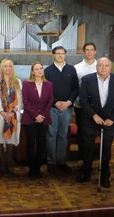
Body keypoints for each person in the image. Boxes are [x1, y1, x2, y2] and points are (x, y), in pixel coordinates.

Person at [76, 57, 114, 188]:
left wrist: (112, 119)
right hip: (90, 119)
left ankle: (105, 176)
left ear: (110, 67)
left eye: (106, 66)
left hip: (109, 120)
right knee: (88, 148)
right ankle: (86, 173)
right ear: (96, 67)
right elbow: (83, 100)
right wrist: (94, 115)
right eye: (100, 65)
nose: (103, 68)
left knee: (106, 150)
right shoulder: (87, 79)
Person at [44, 46, 79, 175]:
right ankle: (51, 162)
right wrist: (55, 102)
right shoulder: (47, 71)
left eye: (62, 53)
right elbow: (46, 91)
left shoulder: (71, 69)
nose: (60, 55)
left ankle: (61, 162)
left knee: (63, 135)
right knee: (51, 135)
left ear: (65, 55)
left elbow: (76, 88)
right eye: (57, 53)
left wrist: (69, 102)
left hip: (67, 108)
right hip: (52, 108)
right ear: (53, 55)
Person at [22, 62, 53, 178]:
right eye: (36, 69)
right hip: (30, 118)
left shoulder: (49, 84)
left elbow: (50, 101)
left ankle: (38, 168)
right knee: (30, 143)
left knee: (41, 143)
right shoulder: (26, 84)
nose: (39, 71)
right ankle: (31, 168)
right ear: (32, 72)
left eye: (41, 68)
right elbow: (26, 102)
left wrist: (42, 116)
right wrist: (36, 116)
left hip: (44, 119)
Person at [0, 59, 22, 175]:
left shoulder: (17, 82)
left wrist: (13, 111)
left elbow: (20, 99)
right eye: (5, 66)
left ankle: (9, 162)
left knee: (11, 138)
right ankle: (1, 163)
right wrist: (2, 112)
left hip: (12, 116)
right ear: (1, 68)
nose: (8, 68)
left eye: (10, 66)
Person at [74, 43, 97, 166]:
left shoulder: (101, 66)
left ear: (95, 51)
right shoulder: (77, 67)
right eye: (87, 50)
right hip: (80, 106)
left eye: (91, 50)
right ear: (83, 52)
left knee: (93, 133)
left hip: (97, 107)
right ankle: (82, 157)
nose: (89, 52)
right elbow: (74, 87)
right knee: (81, 132)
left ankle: (91, 158)